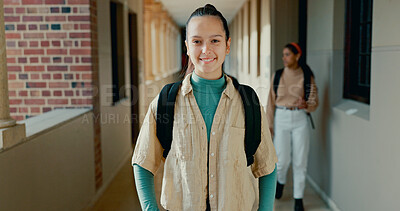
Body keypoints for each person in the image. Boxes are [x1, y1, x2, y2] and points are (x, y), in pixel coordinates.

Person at [132, 4, 278, 211]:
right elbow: (142, 161)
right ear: (187, 46)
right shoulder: (166, 101)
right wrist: (150, 208)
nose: (205, 50)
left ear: (227, 45)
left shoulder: (248, 102)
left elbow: (267, 166)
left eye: (215, 41)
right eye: (197, 41)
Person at [267, 43, 319, 211]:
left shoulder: (307, 75)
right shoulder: (278, 75)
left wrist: (306, 104)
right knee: (282, 161)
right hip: (281, 117)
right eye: (283, 54)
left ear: (297, 56)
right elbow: (270, 103)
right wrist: (269, 125)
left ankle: (298, 199)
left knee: (300, 161)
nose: (284, 58)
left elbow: (314, 101)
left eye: (288, 54)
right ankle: (280, 181)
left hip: (300, 119)